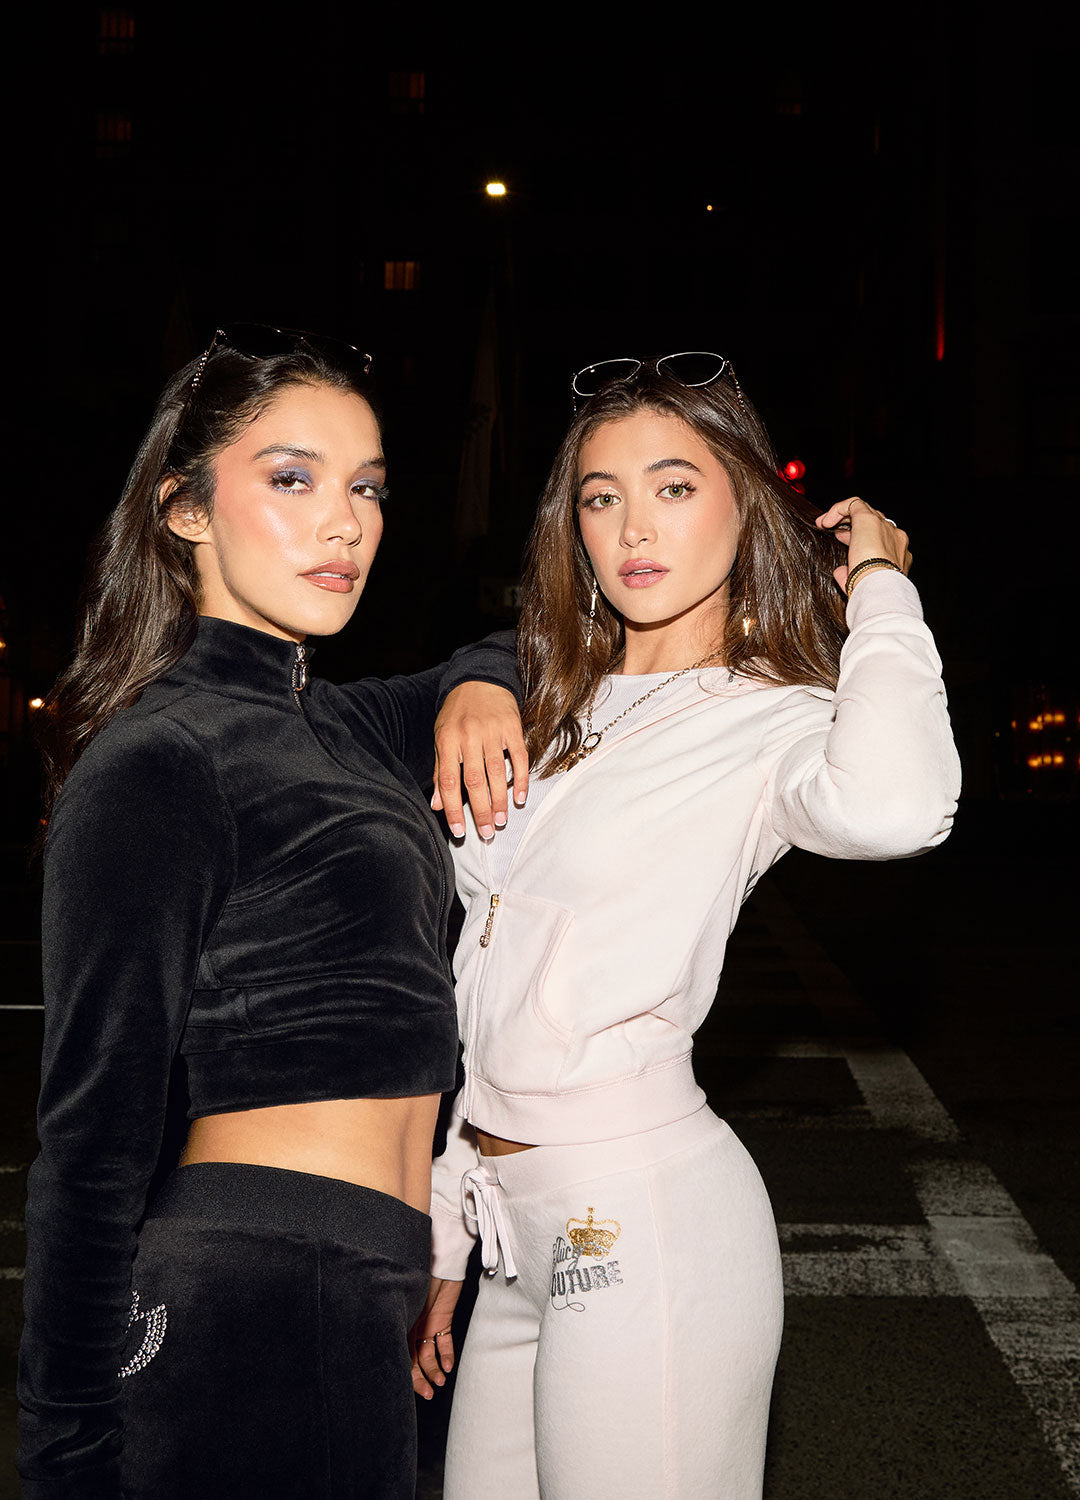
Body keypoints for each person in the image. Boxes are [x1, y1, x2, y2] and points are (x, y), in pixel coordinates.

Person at [412, 352, 962, 1499]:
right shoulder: (560, 710)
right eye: (600, 497)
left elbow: (901, 808)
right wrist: (449, 1232)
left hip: (643, 1217)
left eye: (673, 486)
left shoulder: (772, 717)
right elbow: (488, 982)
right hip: (510, 1226)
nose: (630, 528)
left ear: (747, 505)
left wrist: (882, 589)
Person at [16, 324, 529, 1500]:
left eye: (367, 488)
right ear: (184, 509)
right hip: (259, 1282)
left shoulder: (340, 727)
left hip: (389, 1287)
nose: (344, 521)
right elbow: (91, 1143)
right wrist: (67, 1453)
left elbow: (552, 650)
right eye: (291, 479)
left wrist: (480, 680)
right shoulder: (160, 759)